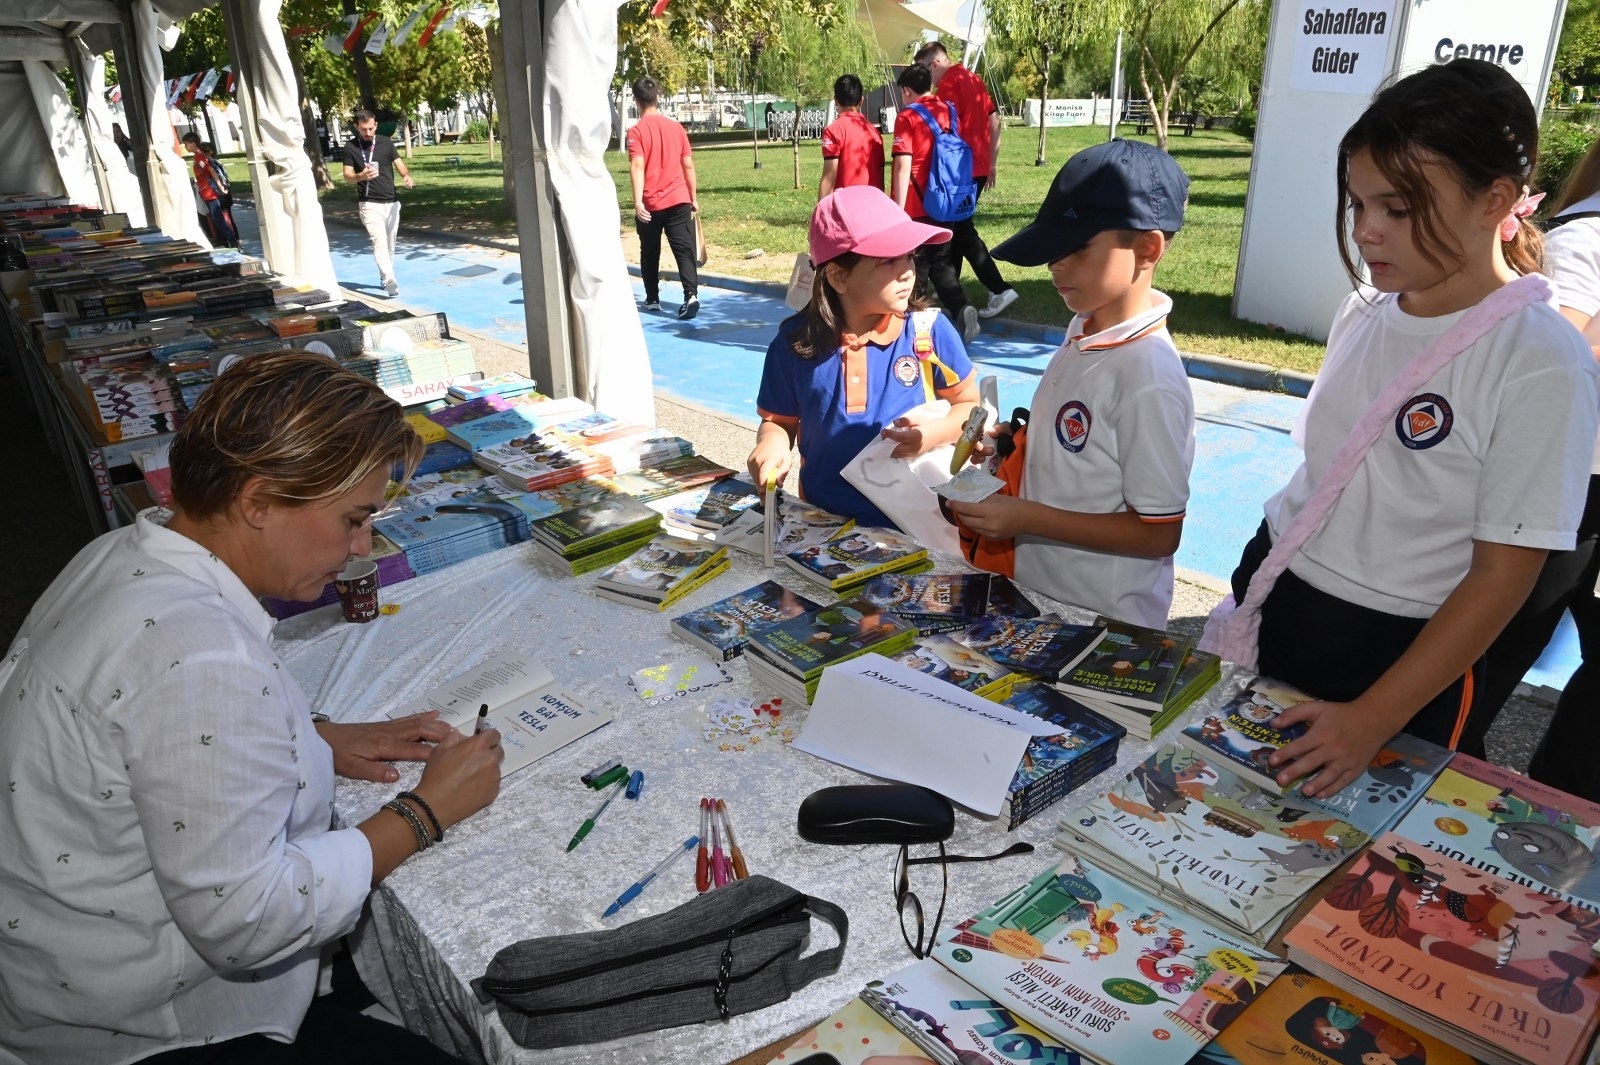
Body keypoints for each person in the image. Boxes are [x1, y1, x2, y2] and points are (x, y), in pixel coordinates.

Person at [0, 351, 504, 1064]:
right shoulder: (200, 656)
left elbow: (143, 737)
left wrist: (314, 736)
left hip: (49, 978)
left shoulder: (125, 552)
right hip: (142, 1028)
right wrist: (425, 812)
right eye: (353, 520)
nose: (361, 550)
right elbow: (248, 920)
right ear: (258, 500)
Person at [1202, 59, 1599, 801]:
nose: (1368, 231)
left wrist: (1373, 716)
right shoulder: (1365, 310)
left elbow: (1502, 576)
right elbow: (1325, 472)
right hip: (1285, 599)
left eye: (1399, 207)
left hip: (1401, 656)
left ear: (1497, 200)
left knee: (1355, 862)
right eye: (1358, 204)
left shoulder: (1541, 359)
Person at [946, 140, 1195, 630]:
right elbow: (1084, 446)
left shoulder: (1148, 378)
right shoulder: (1084, 326)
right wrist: (1014, 445)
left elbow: (1158, 534)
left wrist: (1025, 518)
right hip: (1046, 599)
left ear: (1147, 248)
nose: (1056, 264)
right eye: (1054, 246)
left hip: (1106, 624)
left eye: (1078, 247)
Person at [1459, 133, 1600, 800]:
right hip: (1574, 486)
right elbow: (1561, 359)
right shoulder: (1587, 235)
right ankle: (1450, 764)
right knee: (1499, 646)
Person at [748, 185, 980, 528]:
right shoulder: (794, 343)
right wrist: (771, 445)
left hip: (918, 526)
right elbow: (780, 422)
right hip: (824, 524)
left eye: (909, 257)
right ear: (839, 276)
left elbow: (969, 407)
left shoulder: (929, 331)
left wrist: (933, 434)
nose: (907, 272)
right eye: (888, 261)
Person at [915, 41, 1018, 320]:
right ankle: (952, 290)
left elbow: (942, 131)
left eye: (924, 70)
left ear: (934, 64)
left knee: (960, 231)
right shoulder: (974, 79)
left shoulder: (948, 85)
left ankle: (999, 288)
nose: (925, 78)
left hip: (959, 169)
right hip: (979, 165)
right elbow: (994, 120)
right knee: (956, 230)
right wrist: (992, 161)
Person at [891, 63, 979, 343]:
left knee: (915, 266)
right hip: (946, 200)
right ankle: (961, 307)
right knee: (941, 261)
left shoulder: (907, 116)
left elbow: (903, 166)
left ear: (906, 90)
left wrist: (897, 209)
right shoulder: (949, 110)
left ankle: (914, 327)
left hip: (917, 204)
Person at [626, 76, 700, 320]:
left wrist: (638, 202)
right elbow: (688, 165)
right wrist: (693, 196)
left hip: (650, 203)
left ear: (637, 101)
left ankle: (652, 299)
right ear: (657, 97)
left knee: (649, 251)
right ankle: (690, 294)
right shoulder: (676, 128)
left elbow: (637, 166)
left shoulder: (636, 132)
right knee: (684, 249)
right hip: (679, 199)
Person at [342, 108, 413, 298]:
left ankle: (385, 276)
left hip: (391, 202)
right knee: (379, 242)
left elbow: (399, 164)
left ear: (376, 126)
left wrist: (406, 176)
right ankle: (389, 279)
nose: (368, 133)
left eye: (371, 129)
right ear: (357, 127)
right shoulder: (350, 147)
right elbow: (347, 176)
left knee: (390, 245)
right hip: (369, 204)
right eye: (364, 129)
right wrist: (360, 175)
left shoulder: (386, 142)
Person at [819, 74, 884, 198]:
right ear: (861, 101)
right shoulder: (875, 133)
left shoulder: (833, 131)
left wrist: (821, 213)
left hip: (845, 207)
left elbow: (829, 178)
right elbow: (880, 177)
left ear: (836, 101)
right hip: (872, 204)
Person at [182, 131, 237, 248]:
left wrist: (220, 185)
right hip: (206, 191)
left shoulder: (199, 156)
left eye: (186, 144)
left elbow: (210, 170)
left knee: (217, 218)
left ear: (192, 143)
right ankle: (226, 240)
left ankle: (231, 240)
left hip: (209, 192)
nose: (185, 147)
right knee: (216, 217)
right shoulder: (199, 155)